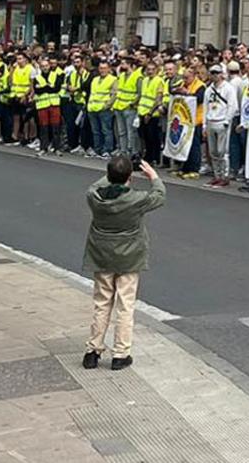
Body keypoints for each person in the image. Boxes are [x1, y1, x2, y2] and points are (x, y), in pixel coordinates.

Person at [82, 155, 166, 371]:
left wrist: (114, 172)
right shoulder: (136, 199)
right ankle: (120, 353)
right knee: (125, 306)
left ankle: (93, 350)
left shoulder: (94, 196)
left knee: (102, 303)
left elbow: (97, 184)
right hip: (129, 257)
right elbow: (159, 195)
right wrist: (153, 175)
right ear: (130, 176)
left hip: (102, 255)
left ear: (108, 176)